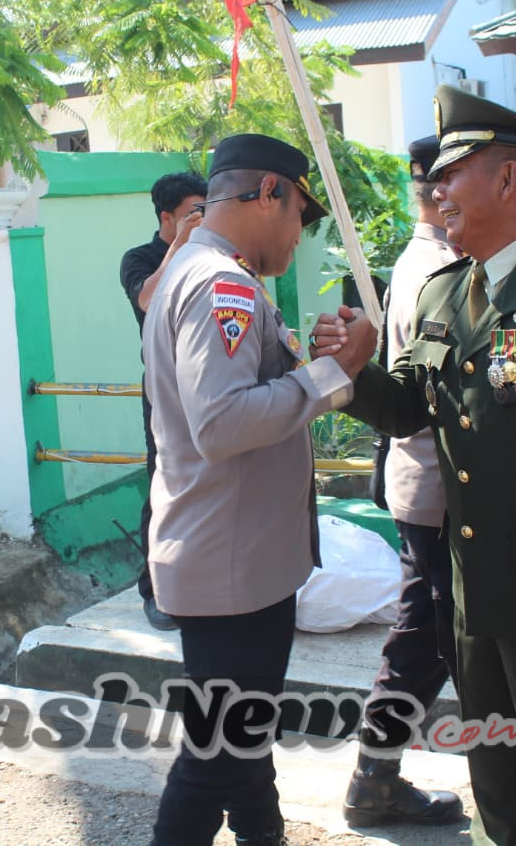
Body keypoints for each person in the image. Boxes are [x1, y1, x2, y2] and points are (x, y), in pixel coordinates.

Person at [311, 86, 516, 845]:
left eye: (452, 172)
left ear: (507, 179)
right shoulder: (444, 293)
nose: (437, 191)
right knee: (500, 792)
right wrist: (353, 373)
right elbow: (410, 409)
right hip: (476, 600)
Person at [142, 133, 376, 846]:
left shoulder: (198, 271)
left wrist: (313, 366)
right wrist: (336, 375)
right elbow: (223, 423)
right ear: (269, 192)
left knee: (241, 740)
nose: (300, 235)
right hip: (232, 572)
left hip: (231, 560)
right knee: (214, 759)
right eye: (301, 214)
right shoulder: (223, 285)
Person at [341, 135, 463, 827]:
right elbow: (433, 398)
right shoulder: (436, 268)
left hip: (428, 484)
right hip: (436, 487)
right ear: (441, 191)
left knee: (429, 634)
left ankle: (375, 776)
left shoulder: (431, 259)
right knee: (429, 637)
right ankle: (374, 776)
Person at [119, 171, 209, 631]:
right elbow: (147, 299)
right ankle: (154, 589)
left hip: (211, 385)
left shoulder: (213, 256)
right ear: (167, 217)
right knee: (164, 485)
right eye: (194, 212)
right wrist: (181, 246)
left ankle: (202, 580)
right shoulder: (140, 258)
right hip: (164, 389)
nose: (202, 219)